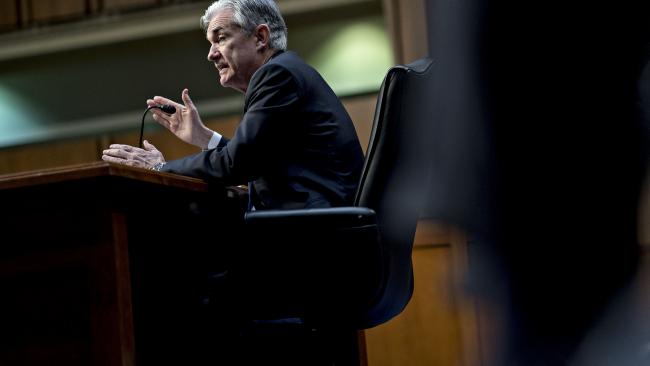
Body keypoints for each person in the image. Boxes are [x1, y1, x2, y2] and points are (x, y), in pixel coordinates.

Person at [102, 0, 364, 211]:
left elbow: (239, 163)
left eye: (221, 38)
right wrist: (205, 137)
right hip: (324, 228)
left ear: (261, 37)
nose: (211, 53)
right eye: (210, 43)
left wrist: (157, 168)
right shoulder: (285, 71)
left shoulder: (277, 75)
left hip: (314, 236)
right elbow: (253, 159)